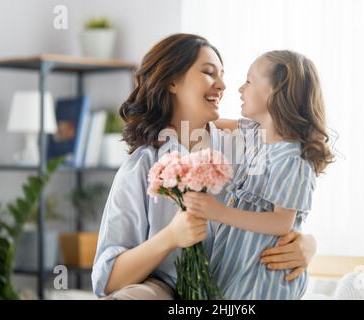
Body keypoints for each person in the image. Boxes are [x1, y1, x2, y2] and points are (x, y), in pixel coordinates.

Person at [91, 34, 317, 300]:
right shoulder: (143, 166)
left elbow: (285, 207)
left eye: (222, 75)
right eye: (209, 73)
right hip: (166, 289)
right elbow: (107, 281)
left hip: (240, 285)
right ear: (172, 81)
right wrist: (170, 237)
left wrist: (307, 243)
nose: (222, 86)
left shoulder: (251, 148)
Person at [184, 50, 334, 299]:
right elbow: (210, 123)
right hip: (241, 263)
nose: (240, 89)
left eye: (249, 81)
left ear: (275, 92)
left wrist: (218, 212)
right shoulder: (257, 134)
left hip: (264, 274)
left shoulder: (291, 158)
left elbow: (281, 222)